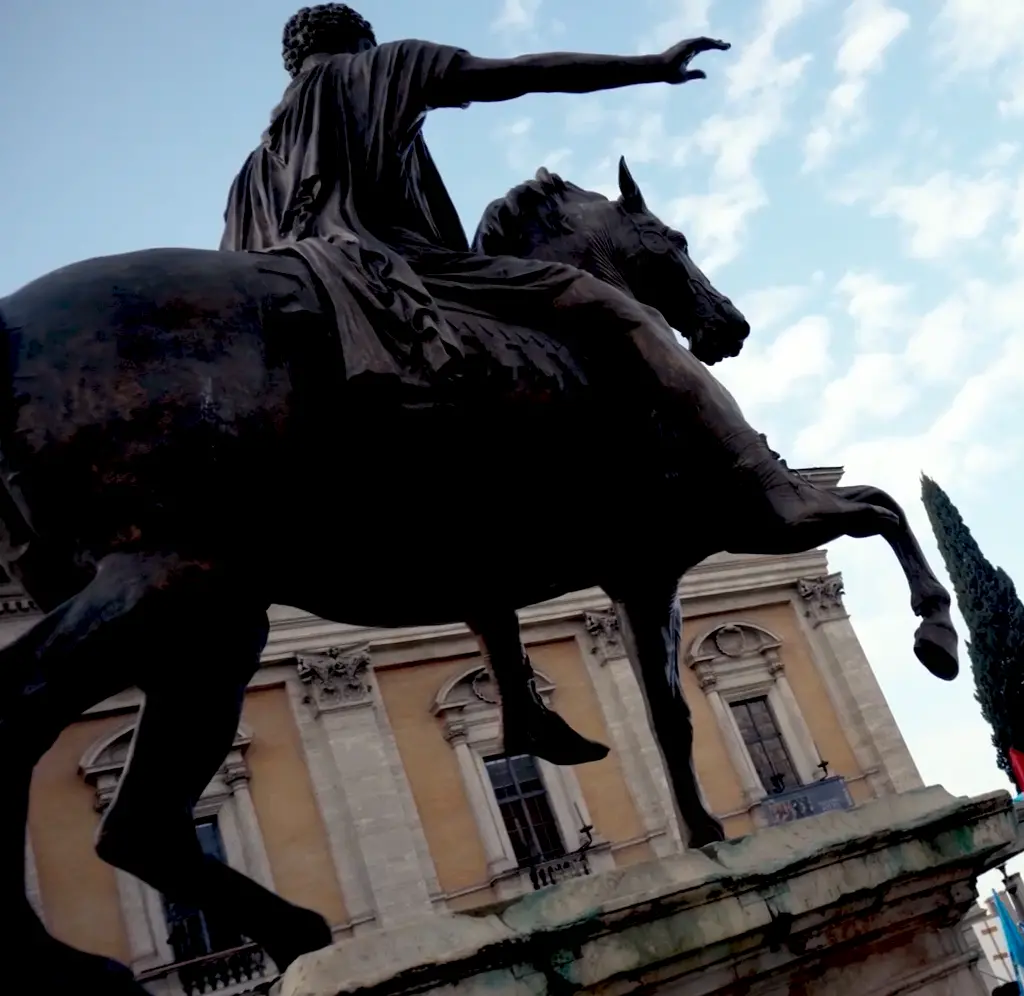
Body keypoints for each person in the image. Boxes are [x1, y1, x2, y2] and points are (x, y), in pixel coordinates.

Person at [226, 6, 894, 745]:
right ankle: (764, 477)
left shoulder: (255, 166)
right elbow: (517, 76)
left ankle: (516, 697)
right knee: (616, 312)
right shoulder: (373, 70)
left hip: (310, 303)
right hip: (402, 273)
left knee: (470, 505)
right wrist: (651, 67)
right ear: (357, 41)